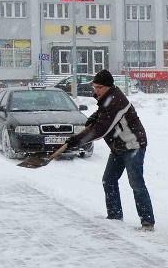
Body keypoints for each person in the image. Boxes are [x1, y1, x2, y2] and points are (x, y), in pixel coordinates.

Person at [64, 70, 155, 230]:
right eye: (94, 87)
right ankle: (114, 215)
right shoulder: (107, 99)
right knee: (109, 180)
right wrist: (94, 116)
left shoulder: (117, 101)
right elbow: (102, 114)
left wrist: (78, 141)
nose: (95, 90)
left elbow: (102, 129)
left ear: (108, 87)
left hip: (132, 145)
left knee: (136, 183)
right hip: (118, 147)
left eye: (99, 87)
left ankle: (147, 222)